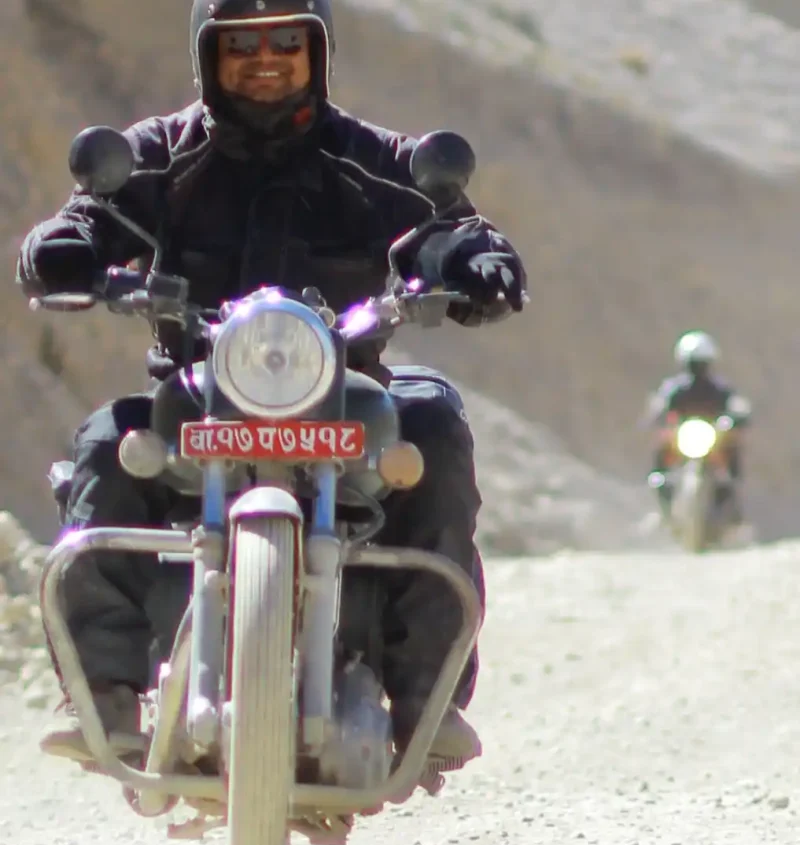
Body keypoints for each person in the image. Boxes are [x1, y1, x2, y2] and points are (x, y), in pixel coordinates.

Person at [15, 0, 528, 787]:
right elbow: (90, 214)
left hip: (347, 388)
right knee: (102, 445)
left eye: (288, 41)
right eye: (241, 44)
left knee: (432, 429)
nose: (266, 58)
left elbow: (444, 221)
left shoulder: (371, 159)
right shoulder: (161, 157)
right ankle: (104, 695)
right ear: (207, 54)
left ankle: (427, 702)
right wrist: (63, 249)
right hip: (198, 391)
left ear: (316, 53)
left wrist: (473, 257)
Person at [645, 331, 751, 520]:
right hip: (684, 437)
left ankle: (732, 504)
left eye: (701, 363)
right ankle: (662, 500)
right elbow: (660, 405)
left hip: (712, 438)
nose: (697, 368)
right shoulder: (674, 388)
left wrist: (738, 415)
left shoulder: (719, 388)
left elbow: (736, 404)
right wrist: (656, 415)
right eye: (694, 363)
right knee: (662, 446)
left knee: (732, 448)